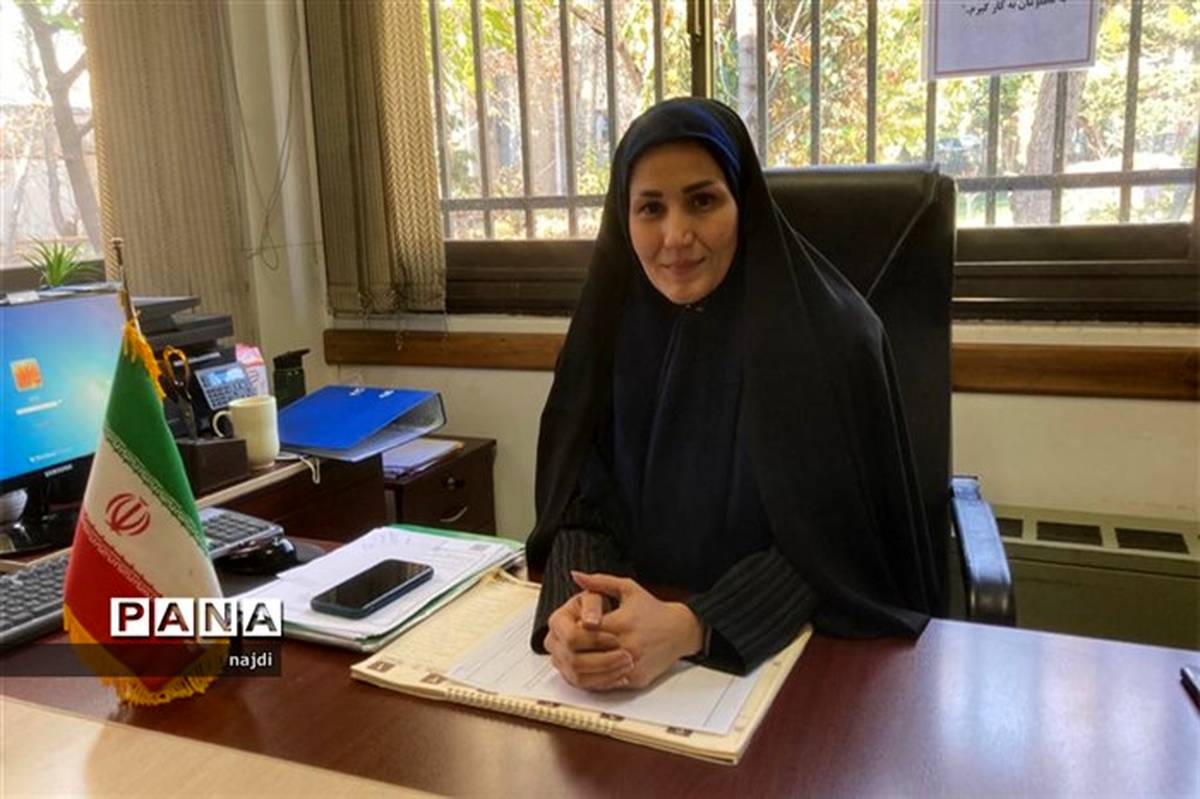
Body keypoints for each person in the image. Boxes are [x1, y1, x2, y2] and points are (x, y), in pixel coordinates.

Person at [528, 98, 943, 691]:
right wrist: (582, 611)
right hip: (637, 649)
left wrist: (695, 624)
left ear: (742, 202)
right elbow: (583, 503)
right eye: (650, 208)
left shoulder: (832, 338)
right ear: (623, 218)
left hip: (803, 658)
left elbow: (837, 542)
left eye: (702, 201)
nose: (676, 236)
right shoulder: (607, 332)